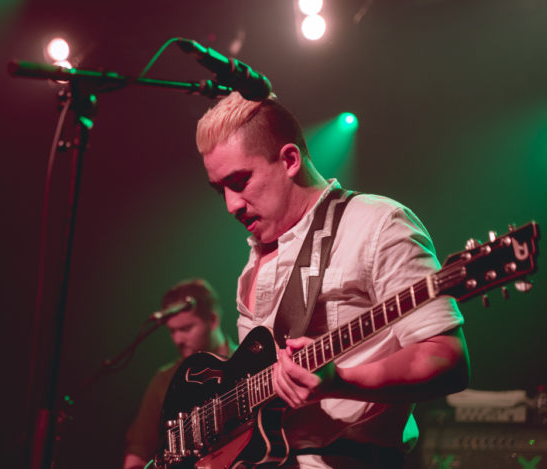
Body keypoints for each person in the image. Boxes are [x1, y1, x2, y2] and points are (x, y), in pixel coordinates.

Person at [194, 92, 470, 468]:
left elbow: (447, 358)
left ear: (289, 160)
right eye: (220, 189)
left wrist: (342, 382)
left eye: (240, 181)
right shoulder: (255, 256)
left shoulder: (376, 224)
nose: (231, 204)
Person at [122, 278, 236, 469]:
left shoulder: (246, 366)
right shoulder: (165, 380)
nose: (178, 340)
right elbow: (137, 453)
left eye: (186, 328)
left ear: (213, 320)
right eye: (172, 331)